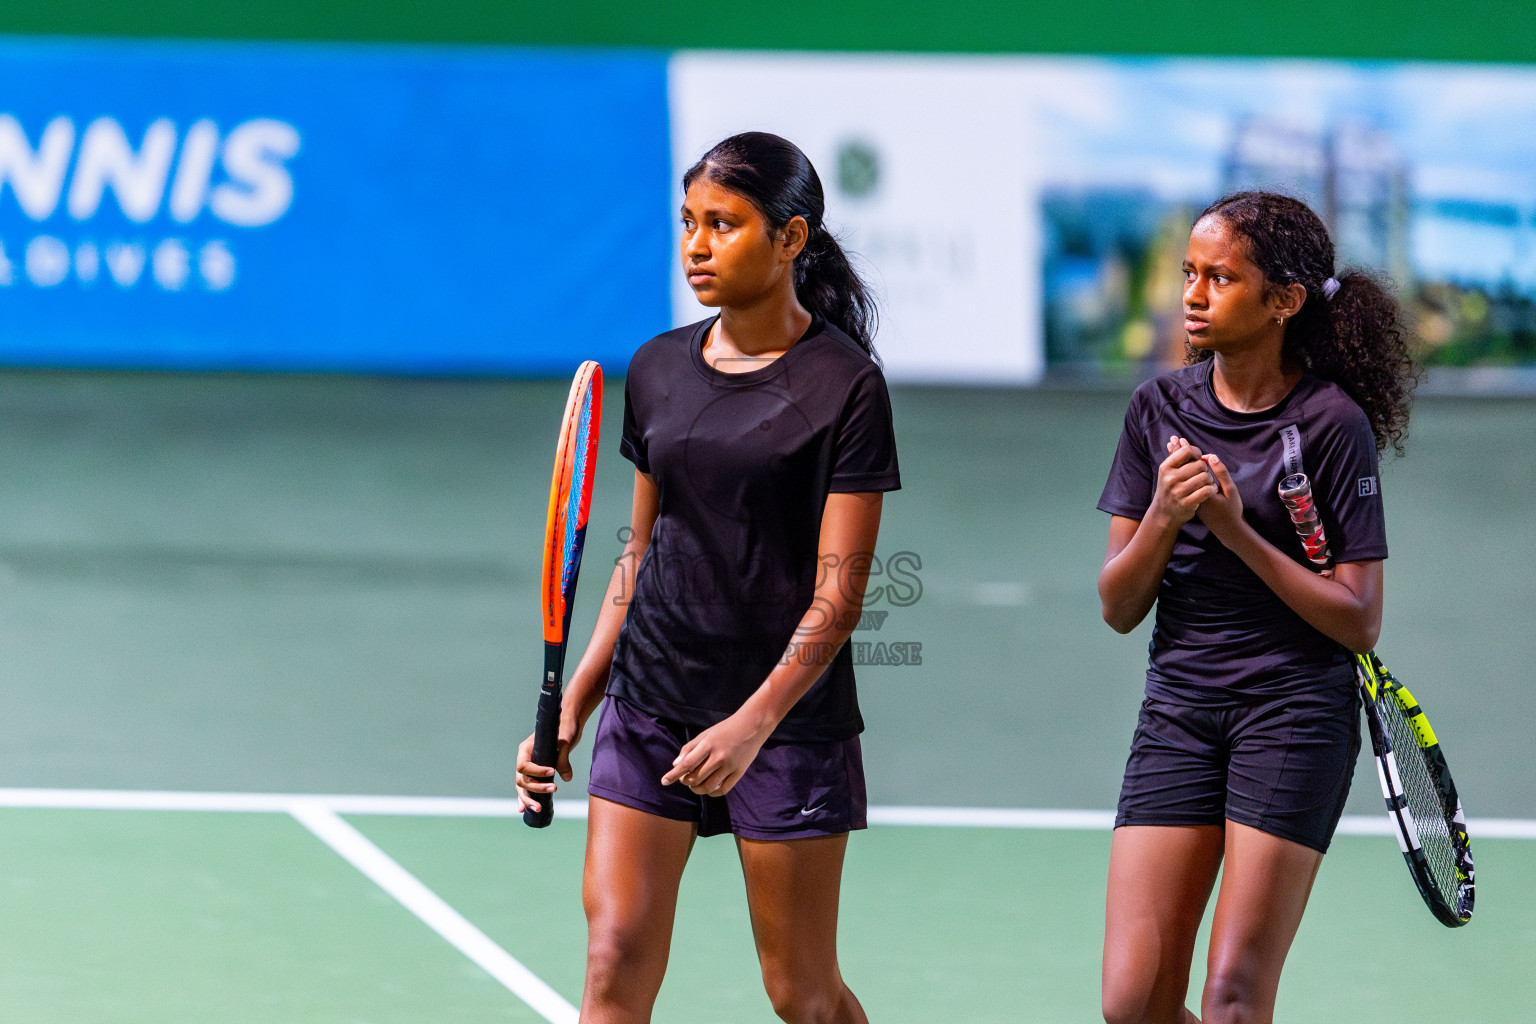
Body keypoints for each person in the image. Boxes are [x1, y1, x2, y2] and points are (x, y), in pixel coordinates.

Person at [516, 131, 899, 1024]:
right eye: (689, 222)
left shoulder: (846, 388)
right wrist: (577, 701)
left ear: (792, 239)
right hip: (649, 703)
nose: (696, 244)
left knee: (801, 994)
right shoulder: (656, 368)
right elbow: (637, 554)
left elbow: (840, 593)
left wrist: (750, 726)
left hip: (783, 722)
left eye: (723, 225)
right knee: (612, 961)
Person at [1096, 191, 1417, 1024]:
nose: (1193, 295)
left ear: (1283, 301)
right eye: (1189, 275)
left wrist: (1235, 530)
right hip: (1179, 709)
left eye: (1221, 278)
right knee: (1133, 1003)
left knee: (1233, 998)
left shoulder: (1330, 425)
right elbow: (1117, 605)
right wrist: (1165, 517)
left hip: (1294, 713)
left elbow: (1359, 620)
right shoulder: (1156, 410)